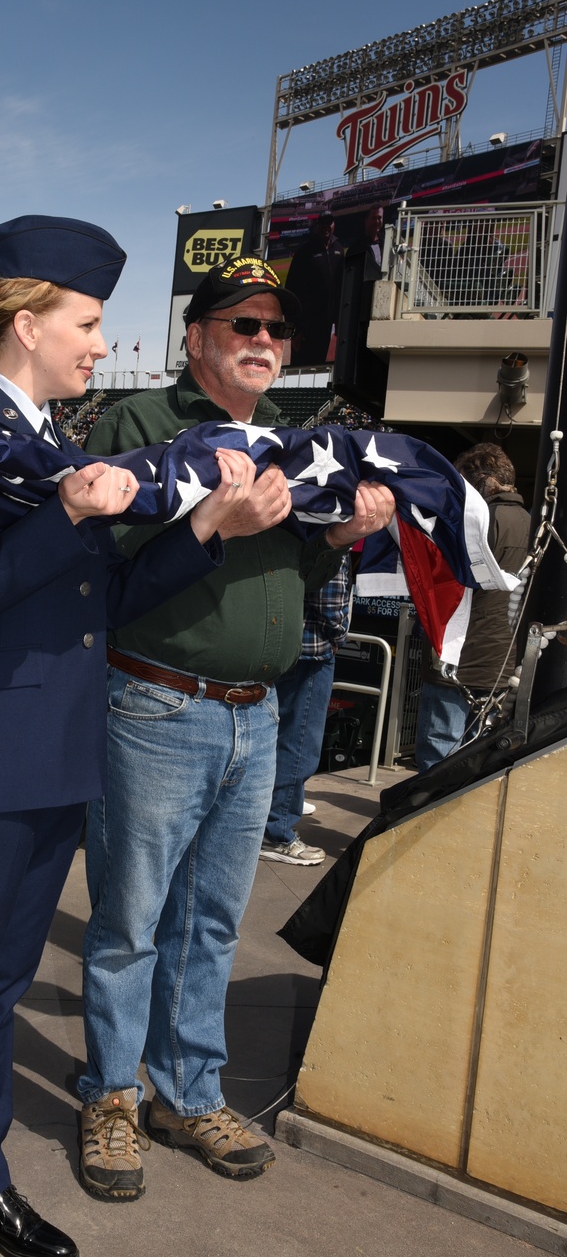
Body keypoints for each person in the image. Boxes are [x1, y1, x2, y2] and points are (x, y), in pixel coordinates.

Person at [0, 215, 248, 1257]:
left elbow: (105, 602)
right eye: (88, 322)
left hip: (51, 756)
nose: (100, 342)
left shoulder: (51, 438)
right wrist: (63, 522)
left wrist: (206, 530)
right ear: (30, 320)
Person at [77, 256, 395, 1201]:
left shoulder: (295, 445)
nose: (264, 341)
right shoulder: (140, 425)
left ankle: (188, 1092)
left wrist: (337, 540)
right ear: (197, 337)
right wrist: (217, 516)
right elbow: (120, 568)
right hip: (157, 704)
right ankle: (111, 1097)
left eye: (276, 330)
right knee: (132, 923)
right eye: (242, 324)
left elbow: (286, 585)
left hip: (255, 716)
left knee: (211, 924)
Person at [414, 442, 530, 772]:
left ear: (484, 481)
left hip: (459, 657)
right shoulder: (531, 522)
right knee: (480, 759)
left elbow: (447, 585)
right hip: (503, 661)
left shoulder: (475, 521)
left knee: (439, 755)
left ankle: (428, 820)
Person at [258, 563, 351, 866]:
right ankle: (278, 830)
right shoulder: (336, 519)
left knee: (271, 736)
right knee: (298, 744)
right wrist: (339, 635)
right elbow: (331, 598)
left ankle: (276, 812)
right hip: (312, 647)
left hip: (275, 642)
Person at [285, 212, 344, 366]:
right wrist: (295, 330)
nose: (327, 227)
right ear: (317, 226)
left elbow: (340, 287)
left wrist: (338, 319)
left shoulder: (339, 249)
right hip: (307, 325)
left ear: (334, 225)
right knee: (300, 367)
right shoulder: (305, 252)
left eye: (329, 223)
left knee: (319, 366)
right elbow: (292, 288)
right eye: (323, 223)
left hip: (327, 322)